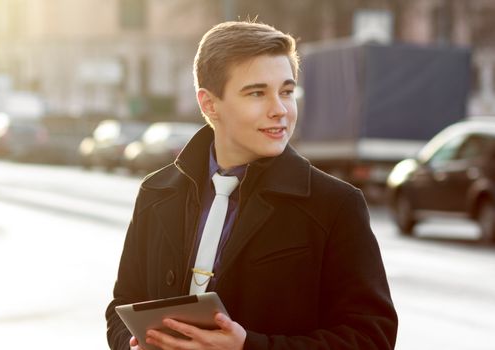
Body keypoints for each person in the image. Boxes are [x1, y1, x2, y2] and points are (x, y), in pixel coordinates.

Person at [106, 20, 398, 350]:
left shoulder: (335, 205)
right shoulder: (156, 192)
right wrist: (130, 345)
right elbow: (122, 306)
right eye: (257, 93)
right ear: (209, 104)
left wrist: (249, 347)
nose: (280, 110)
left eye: (287, 92)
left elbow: (372, 338)